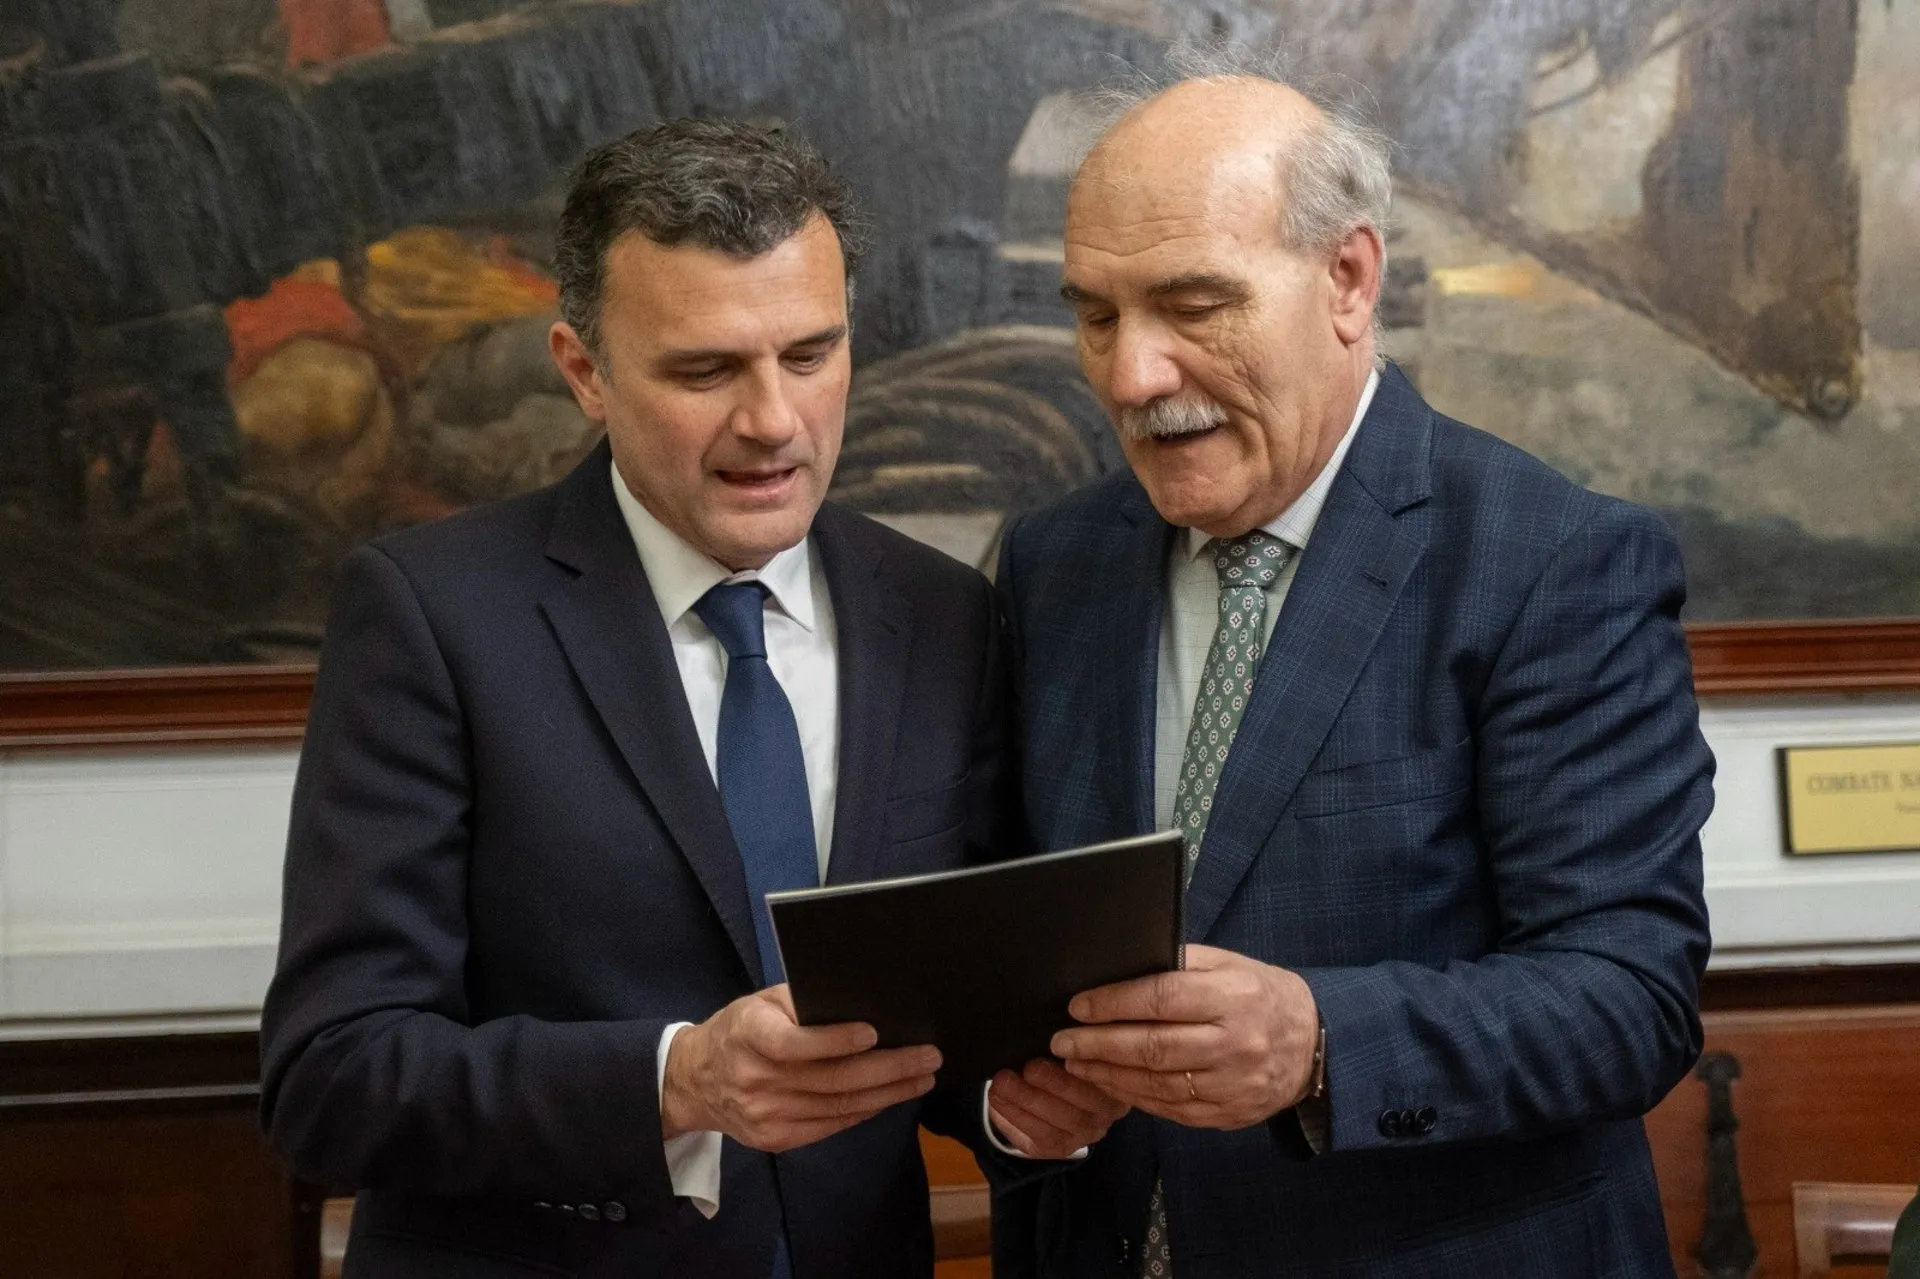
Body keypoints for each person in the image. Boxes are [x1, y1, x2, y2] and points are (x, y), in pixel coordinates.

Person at [260, 118, 1121, 1278]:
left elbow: (945, 1016)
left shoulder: (942, 612)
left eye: (809, 355)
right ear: (585, 372)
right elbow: (333, 1078)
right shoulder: (432, 615)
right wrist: (674, 1081)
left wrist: (1015, 1109)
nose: (772, 420)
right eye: (706, 370)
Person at [994, 53, 1715, 1277]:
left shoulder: (1553, 560)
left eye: (1193, 305)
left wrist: (1320, 1041)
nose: (1131, 375)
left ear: (1348, 279)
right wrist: (1010, 1104)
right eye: (1096, 315)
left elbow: (1629, 997)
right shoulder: (1052, 563)